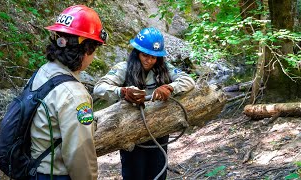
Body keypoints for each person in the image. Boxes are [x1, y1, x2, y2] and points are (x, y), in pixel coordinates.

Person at [93, 27, 195, 180]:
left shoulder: (165, 68)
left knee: (158, 173)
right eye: (145, 55)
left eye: (154, 57)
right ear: (137, 53)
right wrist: (122, 92)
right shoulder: (123, 68)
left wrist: (170, 87)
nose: (149, 60)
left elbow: (188, 80)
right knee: (134, 174)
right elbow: (99, 88)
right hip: (130, 133)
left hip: (159, 130)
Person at [30, 5, 107, 180]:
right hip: (55, 174)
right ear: (88, 48)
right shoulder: (75, 95)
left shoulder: (43, 72)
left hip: (33, 169)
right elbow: (80, 156)